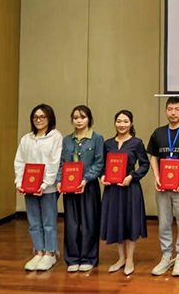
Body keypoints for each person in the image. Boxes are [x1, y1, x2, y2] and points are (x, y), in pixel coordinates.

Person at [147, 97, 179, 277]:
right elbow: (153, 156)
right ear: (165, 111)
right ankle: (166, 255)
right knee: (164, 221)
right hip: (162, 186)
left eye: (177, 109)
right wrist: (156, 176)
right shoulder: (158, 133)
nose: (173, 113)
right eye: (170, 109)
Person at [14, 104, 63, 271]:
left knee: (48, 222)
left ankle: (50, 253)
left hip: (47, 188)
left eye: (42, 117)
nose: (39, 120)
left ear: (49, 118)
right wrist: (19, 182)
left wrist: (45, 183)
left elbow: (54, 162)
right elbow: (19, 161)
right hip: (28, 187)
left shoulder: (55, 137)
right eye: (35, 117)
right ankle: (38, 252)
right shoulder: (26, 139)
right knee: (33, 222)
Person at [100, 109, 149, 276]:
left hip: (130, 188)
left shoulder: (137, 143)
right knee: (117, 222)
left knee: (130, 222)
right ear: (115, 123)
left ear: (131, 124)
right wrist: (103, 176)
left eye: (126, 121)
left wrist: (132, 176)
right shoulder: (108, 144)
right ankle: (121, 258)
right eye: (119, 121)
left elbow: (144, 164)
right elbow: (102, 165)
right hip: (112, 189)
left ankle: (130, 259)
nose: (122, 124)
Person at [56, 105, 104, 273]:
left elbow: (99, 163)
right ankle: (72, 259)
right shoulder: (66, 140)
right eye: (76, 118)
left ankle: (89, 258)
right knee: (72, 223)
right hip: (69, 188)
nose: (79, 121)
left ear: (89, 119)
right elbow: (62, 163)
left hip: (88, 187)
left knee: (89, 223)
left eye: (83, 117)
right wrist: (59, 180)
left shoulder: (97, 138)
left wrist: (86, 179)